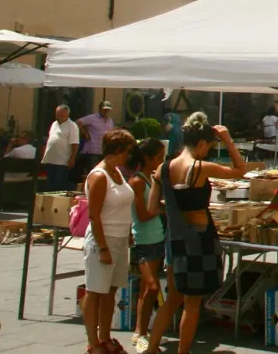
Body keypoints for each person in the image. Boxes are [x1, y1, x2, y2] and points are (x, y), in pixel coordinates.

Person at [142, 113, 246, 354]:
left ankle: (152, 348)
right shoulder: (200, 167)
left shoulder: (162, 169)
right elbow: (240, 170)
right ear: (200, 143)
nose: (207, 151)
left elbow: (152, 208)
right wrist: (228, 140)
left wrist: (176, 209)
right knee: (192, 303)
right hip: (198, 239)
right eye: (208, 146)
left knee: (173, 298)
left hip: (175, 238)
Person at [82, 128, 137, 354]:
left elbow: (122, 205)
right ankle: (93, 342)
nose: (129, 156)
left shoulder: (117, 172)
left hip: (120, 238)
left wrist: (128, 233)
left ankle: (105, 336)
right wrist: (103, 248)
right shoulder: (99, 176)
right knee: (95, 290)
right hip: (102, 240)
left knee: (110, 291)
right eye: (127, 151)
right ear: (117, 150)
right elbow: (94, 215)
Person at [125, 138, 166, 354]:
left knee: (146, 289)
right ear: (148, 159)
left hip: (157, 237)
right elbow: (142, 215)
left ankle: (140, 330)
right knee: (152, 287)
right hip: (144, 240)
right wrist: (162, 209)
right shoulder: (137, 181)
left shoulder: (152, 178)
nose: (162, 161)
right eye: (159, 157)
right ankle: (140, 333)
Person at [41, 104, 80, 191]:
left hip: (62, 161)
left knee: (60, 183)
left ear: (67, 115)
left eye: (62, 115)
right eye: (57, 115)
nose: (59, 117)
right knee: (50, 183)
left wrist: (72, 158)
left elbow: (75, 143)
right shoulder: (54, 124)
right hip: (51, 159)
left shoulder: (72, 126)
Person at [77, 101, 116, 178]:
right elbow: (79, 122)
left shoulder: (110, 121)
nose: (106, 111)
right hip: (93, 151)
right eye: (104, 109)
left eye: (108, 110)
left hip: (104, 151)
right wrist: (85, 133)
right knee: (93, 172)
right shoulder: (92, 118)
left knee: (103, 173)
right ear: (100, 109)